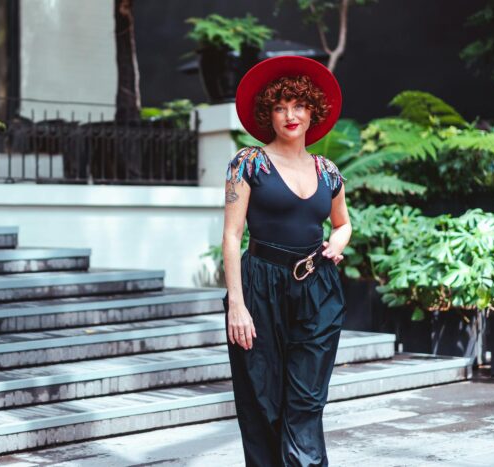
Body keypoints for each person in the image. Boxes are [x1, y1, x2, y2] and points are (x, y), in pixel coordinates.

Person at [222, 55, 352, 466]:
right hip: (259, 286)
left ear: (312, 109)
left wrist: (337, 240)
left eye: (298, 105)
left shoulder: (328, 171)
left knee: (306, 400)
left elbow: (344, 223)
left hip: (317, 288)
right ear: (269, 115)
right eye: (280, 107)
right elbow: (231, 235)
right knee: (262, 400)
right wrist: (237, 305)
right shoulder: (248, 163)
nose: (290, 115)